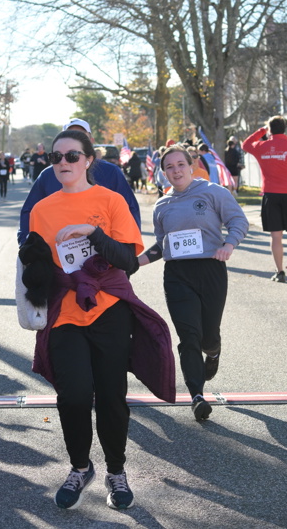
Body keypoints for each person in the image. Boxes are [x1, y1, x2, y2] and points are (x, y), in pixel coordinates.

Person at [24, 129, 173, 511]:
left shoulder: (111, 200)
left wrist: (93, 232)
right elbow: (40, 265)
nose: (63, 163)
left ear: (89, 160)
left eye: (71, 156)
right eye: (56, 157)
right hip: (65, 314)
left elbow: (127, 262)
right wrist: (33, 265)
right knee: (72, 396)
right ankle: (80, 467)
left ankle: (116, 471)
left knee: (111, 397)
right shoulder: (42, 210)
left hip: (109, 310)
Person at [137, 145, 247, 421]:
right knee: (188, 336)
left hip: (210, 269)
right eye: (169, 167)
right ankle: (196, 395)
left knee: (208, 335)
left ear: (191, 165)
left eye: (180, 165)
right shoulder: (162, 205)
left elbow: (238, 220)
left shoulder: (212, 192)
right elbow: (162, 245)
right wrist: (134, 262)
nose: (176, 171)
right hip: (177, 275)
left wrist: (229, 245)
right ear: (163, 173)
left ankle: (213, 351)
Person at [17, 119, 140, 245]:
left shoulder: (111, 172)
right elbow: (29, 212)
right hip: (56, 252)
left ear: (91, 141)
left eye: (81, 135)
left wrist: (129, 246)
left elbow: (130, 209)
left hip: (106, 252)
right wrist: (26, 246)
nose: (64, 162)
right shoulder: (48, 175)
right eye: (69, 135)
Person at [242, 116, 287, 283]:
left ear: (270, 130)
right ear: (284, 128)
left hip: (271, 195)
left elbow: (245, 144)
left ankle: (280, 272)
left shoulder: (261, 146)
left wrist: (262, 131)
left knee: (276, 236)